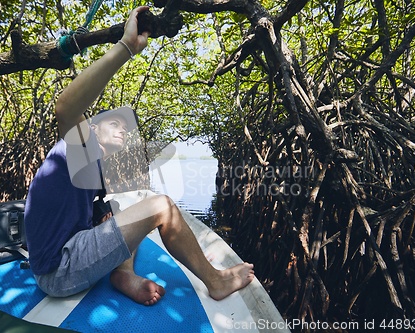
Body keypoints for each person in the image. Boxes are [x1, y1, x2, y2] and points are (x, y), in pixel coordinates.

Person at [24, 6, 254, 306]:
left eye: (124, 126)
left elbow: (89, 207)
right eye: (114, 124)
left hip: (64, 257)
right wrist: (126, 48)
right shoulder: (78, 146)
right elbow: (66, 107)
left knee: (119, 207)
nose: (122, 130)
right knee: (162, 206)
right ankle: (216, 281)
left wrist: (101, 215)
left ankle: (123, 274)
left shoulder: (94, 166)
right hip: (59, 270)